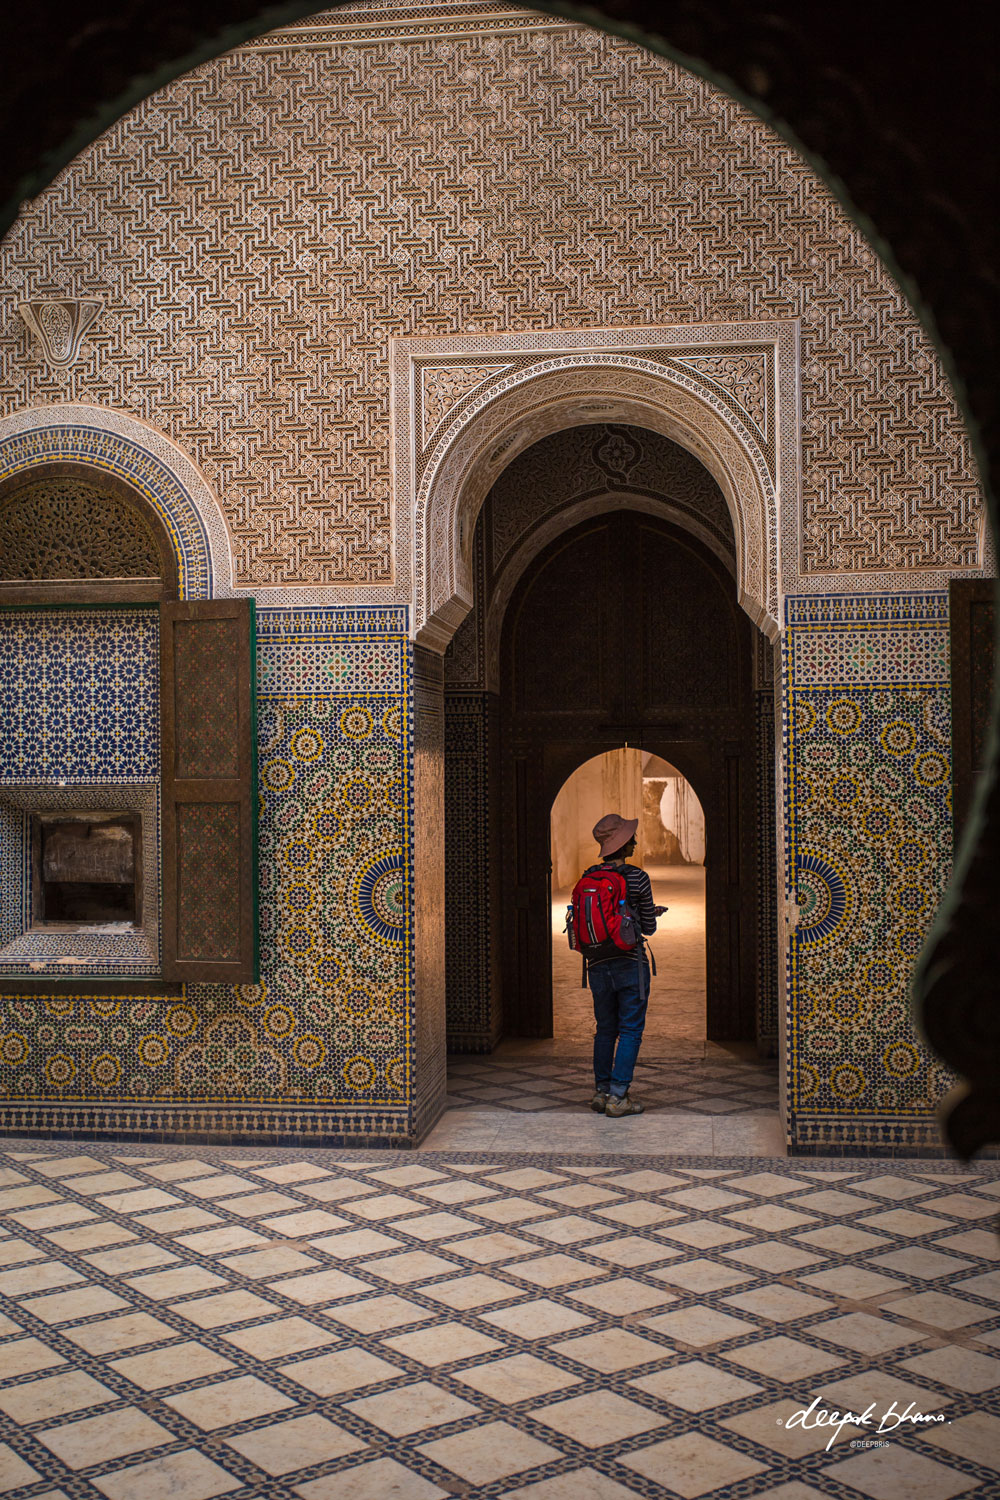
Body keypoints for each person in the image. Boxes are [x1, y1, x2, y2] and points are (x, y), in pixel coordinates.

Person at [584, 813, 666, 1117]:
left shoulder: (588, 876)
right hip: (630, 963)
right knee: (630, 1030)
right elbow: (648, 927)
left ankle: (601, 1091)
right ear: (625, 844)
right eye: (631, 837)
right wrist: (651, 913)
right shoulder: (638, 877)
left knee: (605, 1029)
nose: (634, 840)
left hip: (597, 964)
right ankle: (619, 1097)